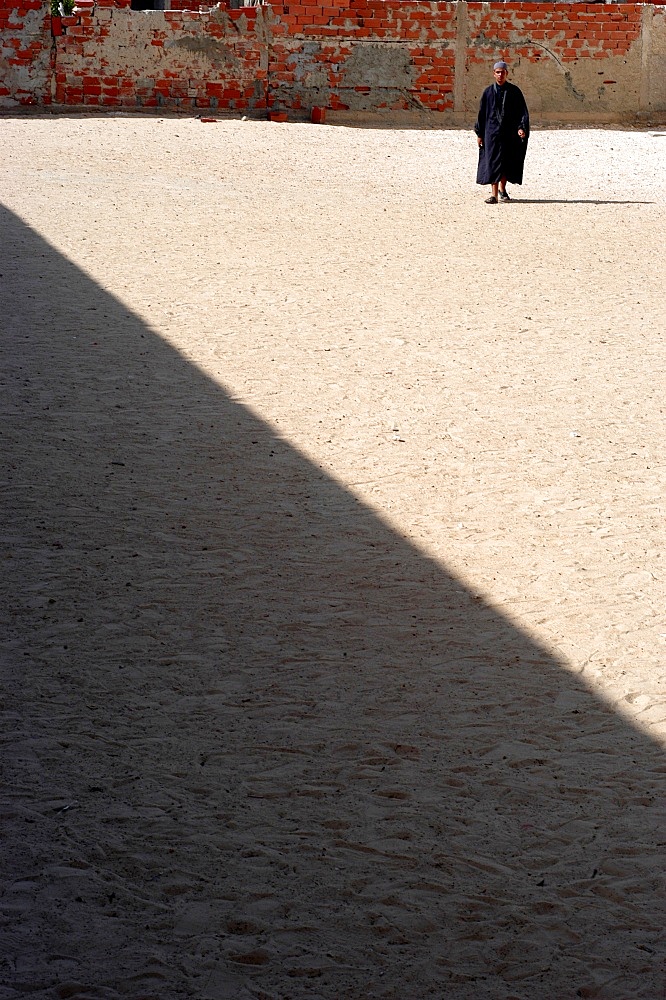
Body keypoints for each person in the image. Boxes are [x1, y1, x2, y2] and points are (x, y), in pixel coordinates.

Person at [475, 60, 529, 204]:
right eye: (497, 72)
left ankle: (502, 189)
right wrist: (479, 134)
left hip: (509, 133)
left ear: (507, 74)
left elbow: (521, 112)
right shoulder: (487, 93)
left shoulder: (514, 92)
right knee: (492, 162)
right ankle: (494, 195)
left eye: (502, 72)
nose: (500, 75)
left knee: (506, 162)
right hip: (491, 134)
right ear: (494, 74)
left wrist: (521, 127)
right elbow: (482, 114)